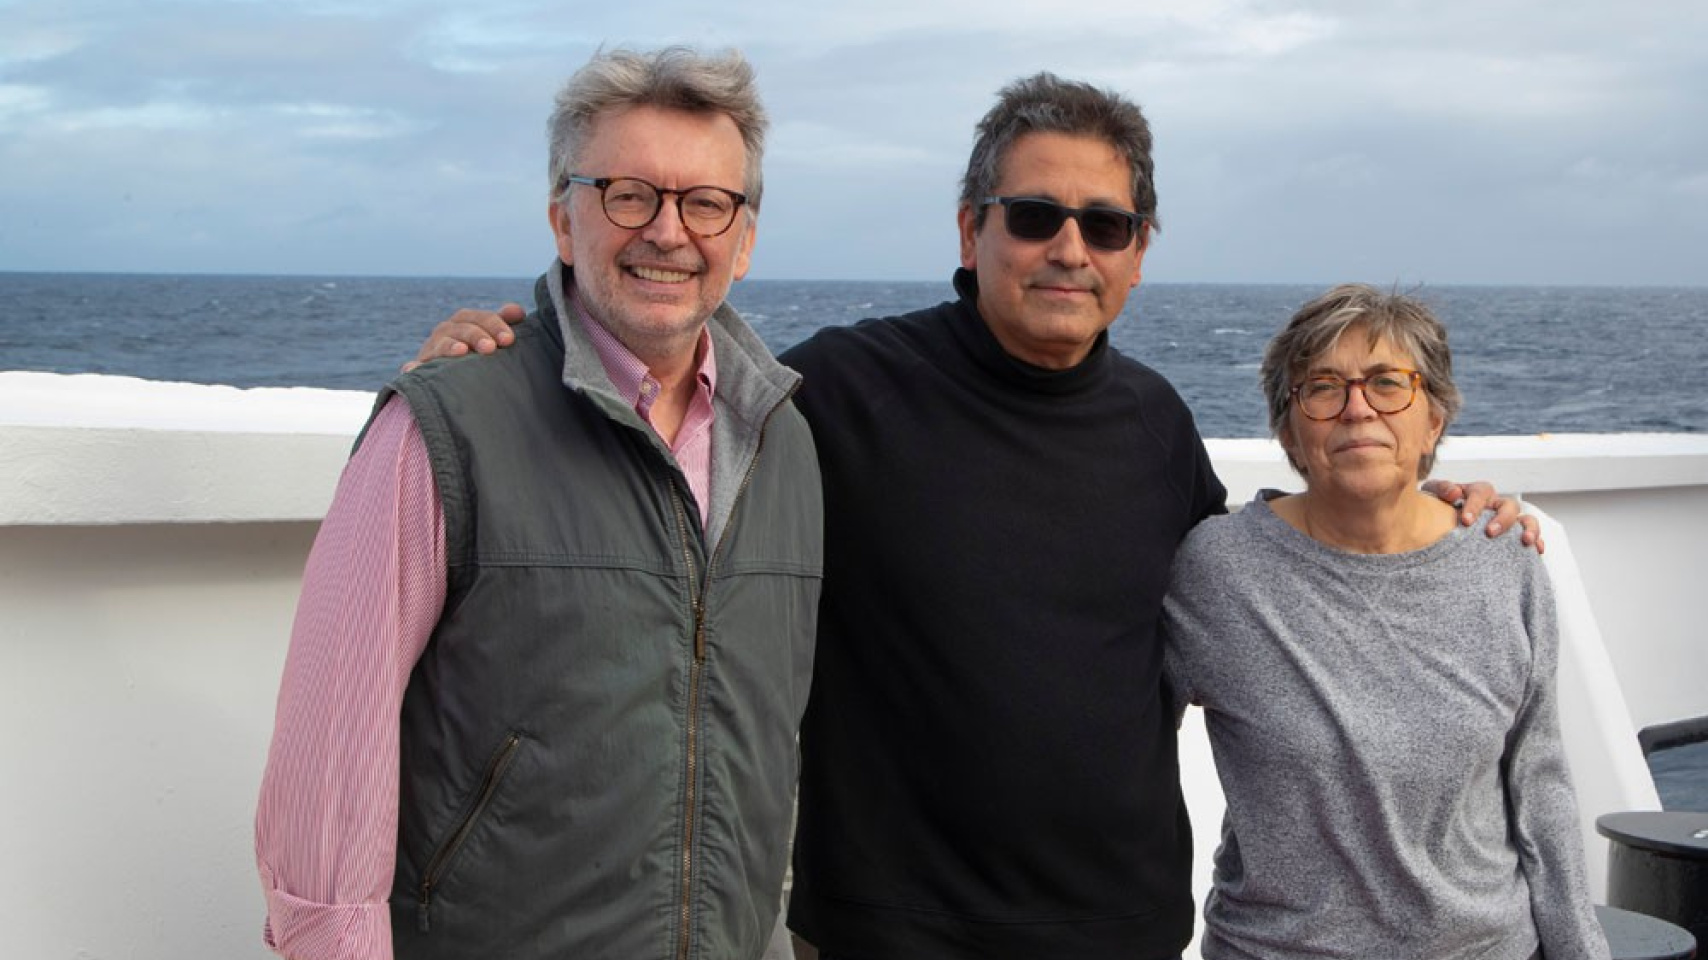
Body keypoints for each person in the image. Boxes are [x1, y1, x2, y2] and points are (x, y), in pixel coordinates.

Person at [415, 73, 1535, 960]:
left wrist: (1430, 502)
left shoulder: (1151, 421)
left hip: (1125, 929)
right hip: (889, 931)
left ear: (1139, 252)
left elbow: (1270, 565)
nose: (1068, 247)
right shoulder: (841, 391)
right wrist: (509, 364)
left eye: (1104, 225)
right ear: (970, 229)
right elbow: (662, 408)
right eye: (1036, 214)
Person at [254, 47, 823, 960]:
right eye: (628, 193)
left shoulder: (785, 441)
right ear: (564, 218)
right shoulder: (443, 425)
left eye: (706, 202)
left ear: (745, 237)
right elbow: (329, 769)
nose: (668, 232)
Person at [1163, 284, 1607, 960]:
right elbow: (1121, 756)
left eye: (1388, 383)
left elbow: (1540, 786)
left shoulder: (1504, 560)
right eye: (1323, 387)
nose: (1357, 409)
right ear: (1289, 429)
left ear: (1434, 419)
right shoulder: (1219, 572)